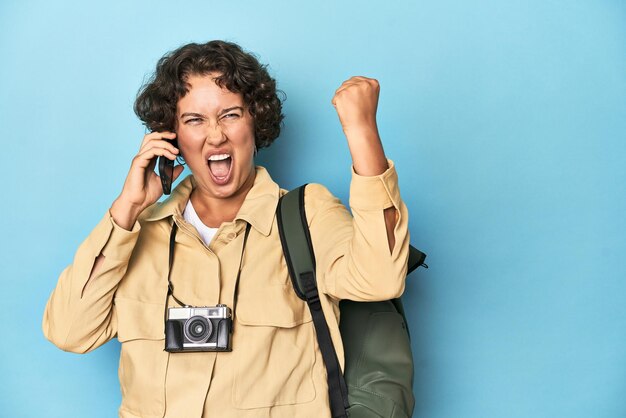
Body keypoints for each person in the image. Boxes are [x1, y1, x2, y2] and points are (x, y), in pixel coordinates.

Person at [42, 40, 410, 418]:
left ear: (255, 122)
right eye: (194, 120)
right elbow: (70, 331)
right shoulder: (137, 233)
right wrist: (127, 209)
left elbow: (381, 278)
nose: (215, 136)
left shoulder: (306, 215)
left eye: (230, 115)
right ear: (172, 138)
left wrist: (362, 132)